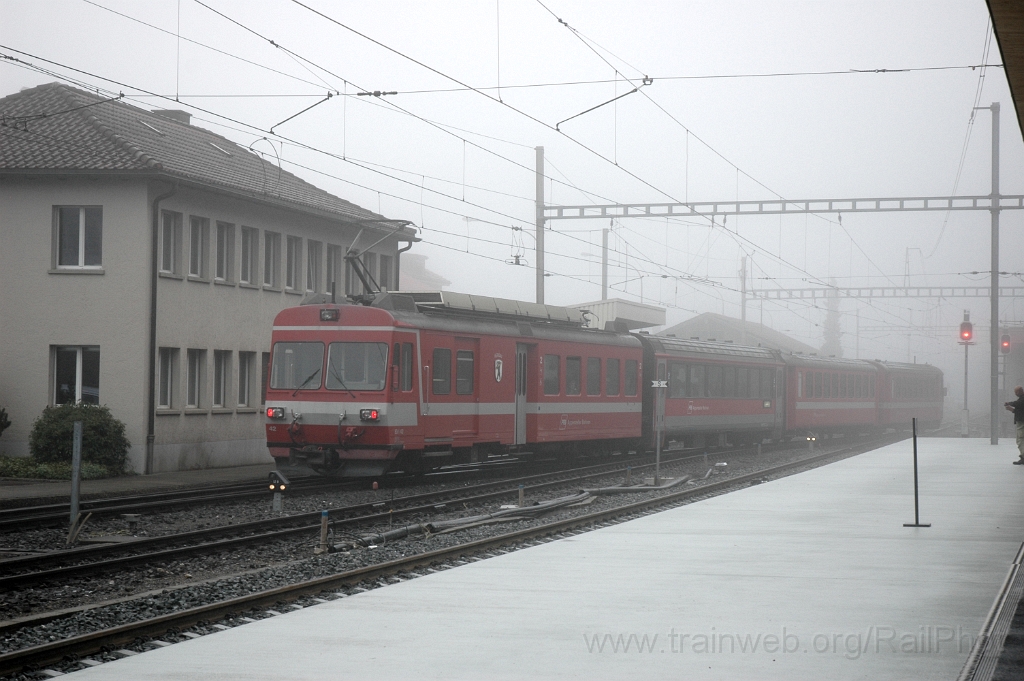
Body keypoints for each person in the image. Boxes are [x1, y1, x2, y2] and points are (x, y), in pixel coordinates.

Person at [1005, 386, 1024, 465]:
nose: (1015, 394)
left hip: (1022, 422)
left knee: (1020, 439)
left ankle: (1023, 457)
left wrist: (1010, 405)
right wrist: (1012, 409)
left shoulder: (1022, 399)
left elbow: (1019, 405)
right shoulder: (1021, 399)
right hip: (1021, 421)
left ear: (1020, 391)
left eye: (1016, 392)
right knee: (1020, 439)